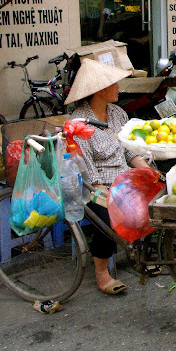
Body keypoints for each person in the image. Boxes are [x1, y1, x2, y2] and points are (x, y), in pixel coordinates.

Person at [65, 58, 150, 294]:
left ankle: (141, 255)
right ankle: (101, 271)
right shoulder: (78, 122)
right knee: (108, 216)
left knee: (157, 200)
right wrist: (103, 191)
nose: (119, 89)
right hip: (95, 184)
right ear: (99, 90)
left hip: (124, 177)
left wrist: (148, 171)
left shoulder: (117, 113)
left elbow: (128, 150)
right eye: (114, 84)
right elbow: (85, 166)